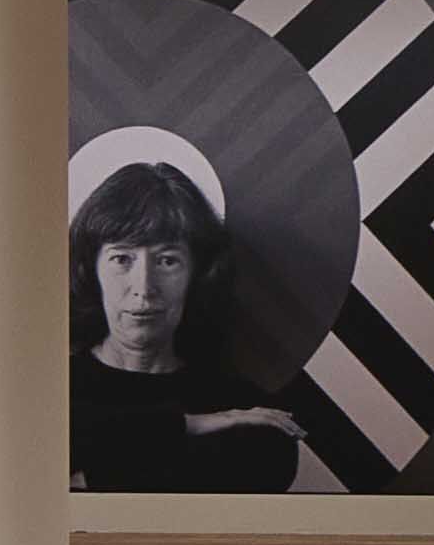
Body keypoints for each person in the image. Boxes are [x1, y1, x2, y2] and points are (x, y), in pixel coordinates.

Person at [68, 159, 319, 491]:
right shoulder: (50, 390)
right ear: (92, 270)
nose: (144, 286)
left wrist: (88, 476)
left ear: (197, 275)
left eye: (167, 260)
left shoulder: (248, 412)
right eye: (122, 259)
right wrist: (190, 426)